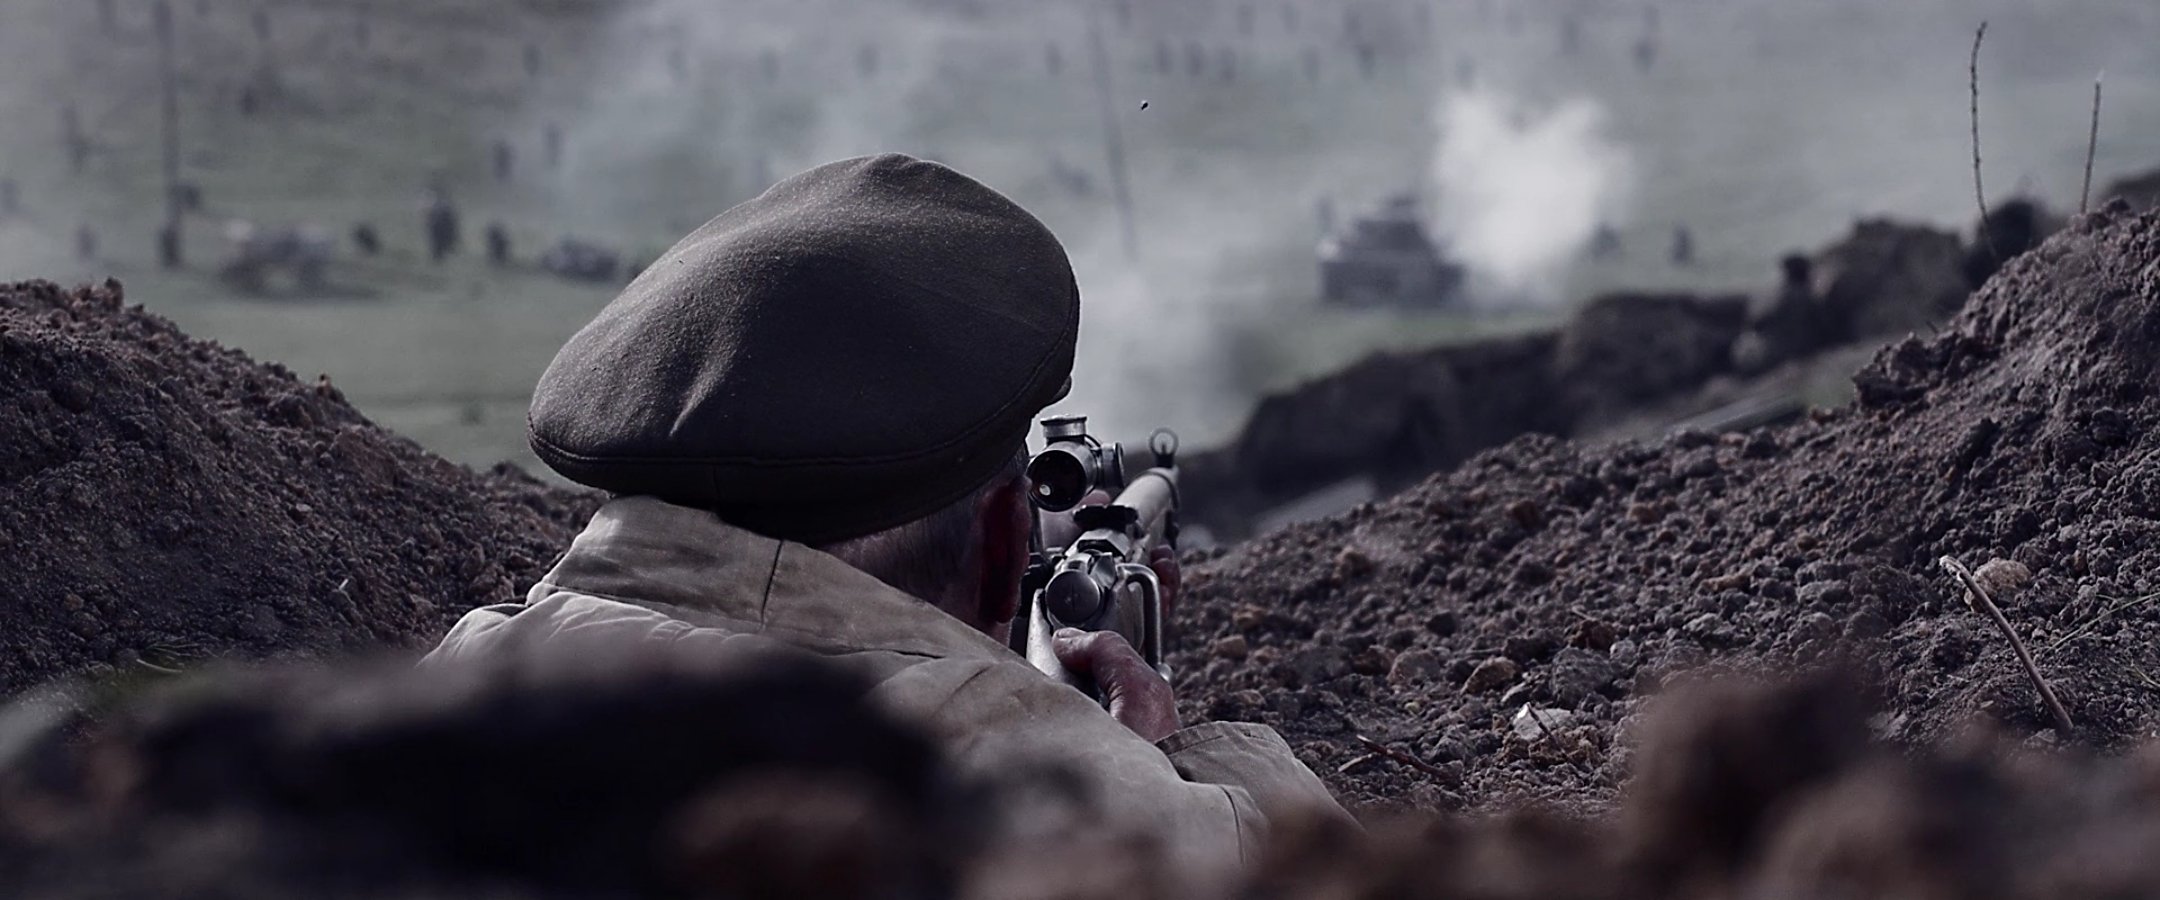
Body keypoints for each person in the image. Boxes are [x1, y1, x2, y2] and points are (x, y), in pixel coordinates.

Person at [421, 155, 1346, 871]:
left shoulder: (460, 682)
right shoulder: (1055, 798)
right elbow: (1349, 876)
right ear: (1004, 545)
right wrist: (1165, 757)